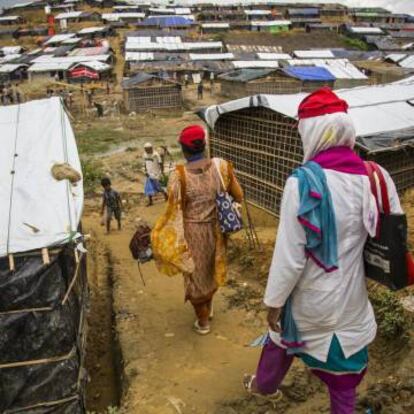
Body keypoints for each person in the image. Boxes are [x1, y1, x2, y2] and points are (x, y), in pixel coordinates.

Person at [243, 88, 403, 413]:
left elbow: (289, 258)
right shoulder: (376, 176)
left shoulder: (301, 183)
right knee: (344, 380)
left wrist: (273, 303)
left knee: (281, 336)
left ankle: (264, 385)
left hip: (310, 298)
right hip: (352, 296)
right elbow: (391, 234)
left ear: (311, 132)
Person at [155, 125, 243, 335]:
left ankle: (203, 321)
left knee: (194, 275)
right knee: (211, 269)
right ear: (204, 145)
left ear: (184, 150)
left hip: (193, 232)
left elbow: (174, 206)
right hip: (217, 231)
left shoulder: (179, 176)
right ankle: (208, 307)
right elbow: (238, 195)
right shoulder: (222, 167)